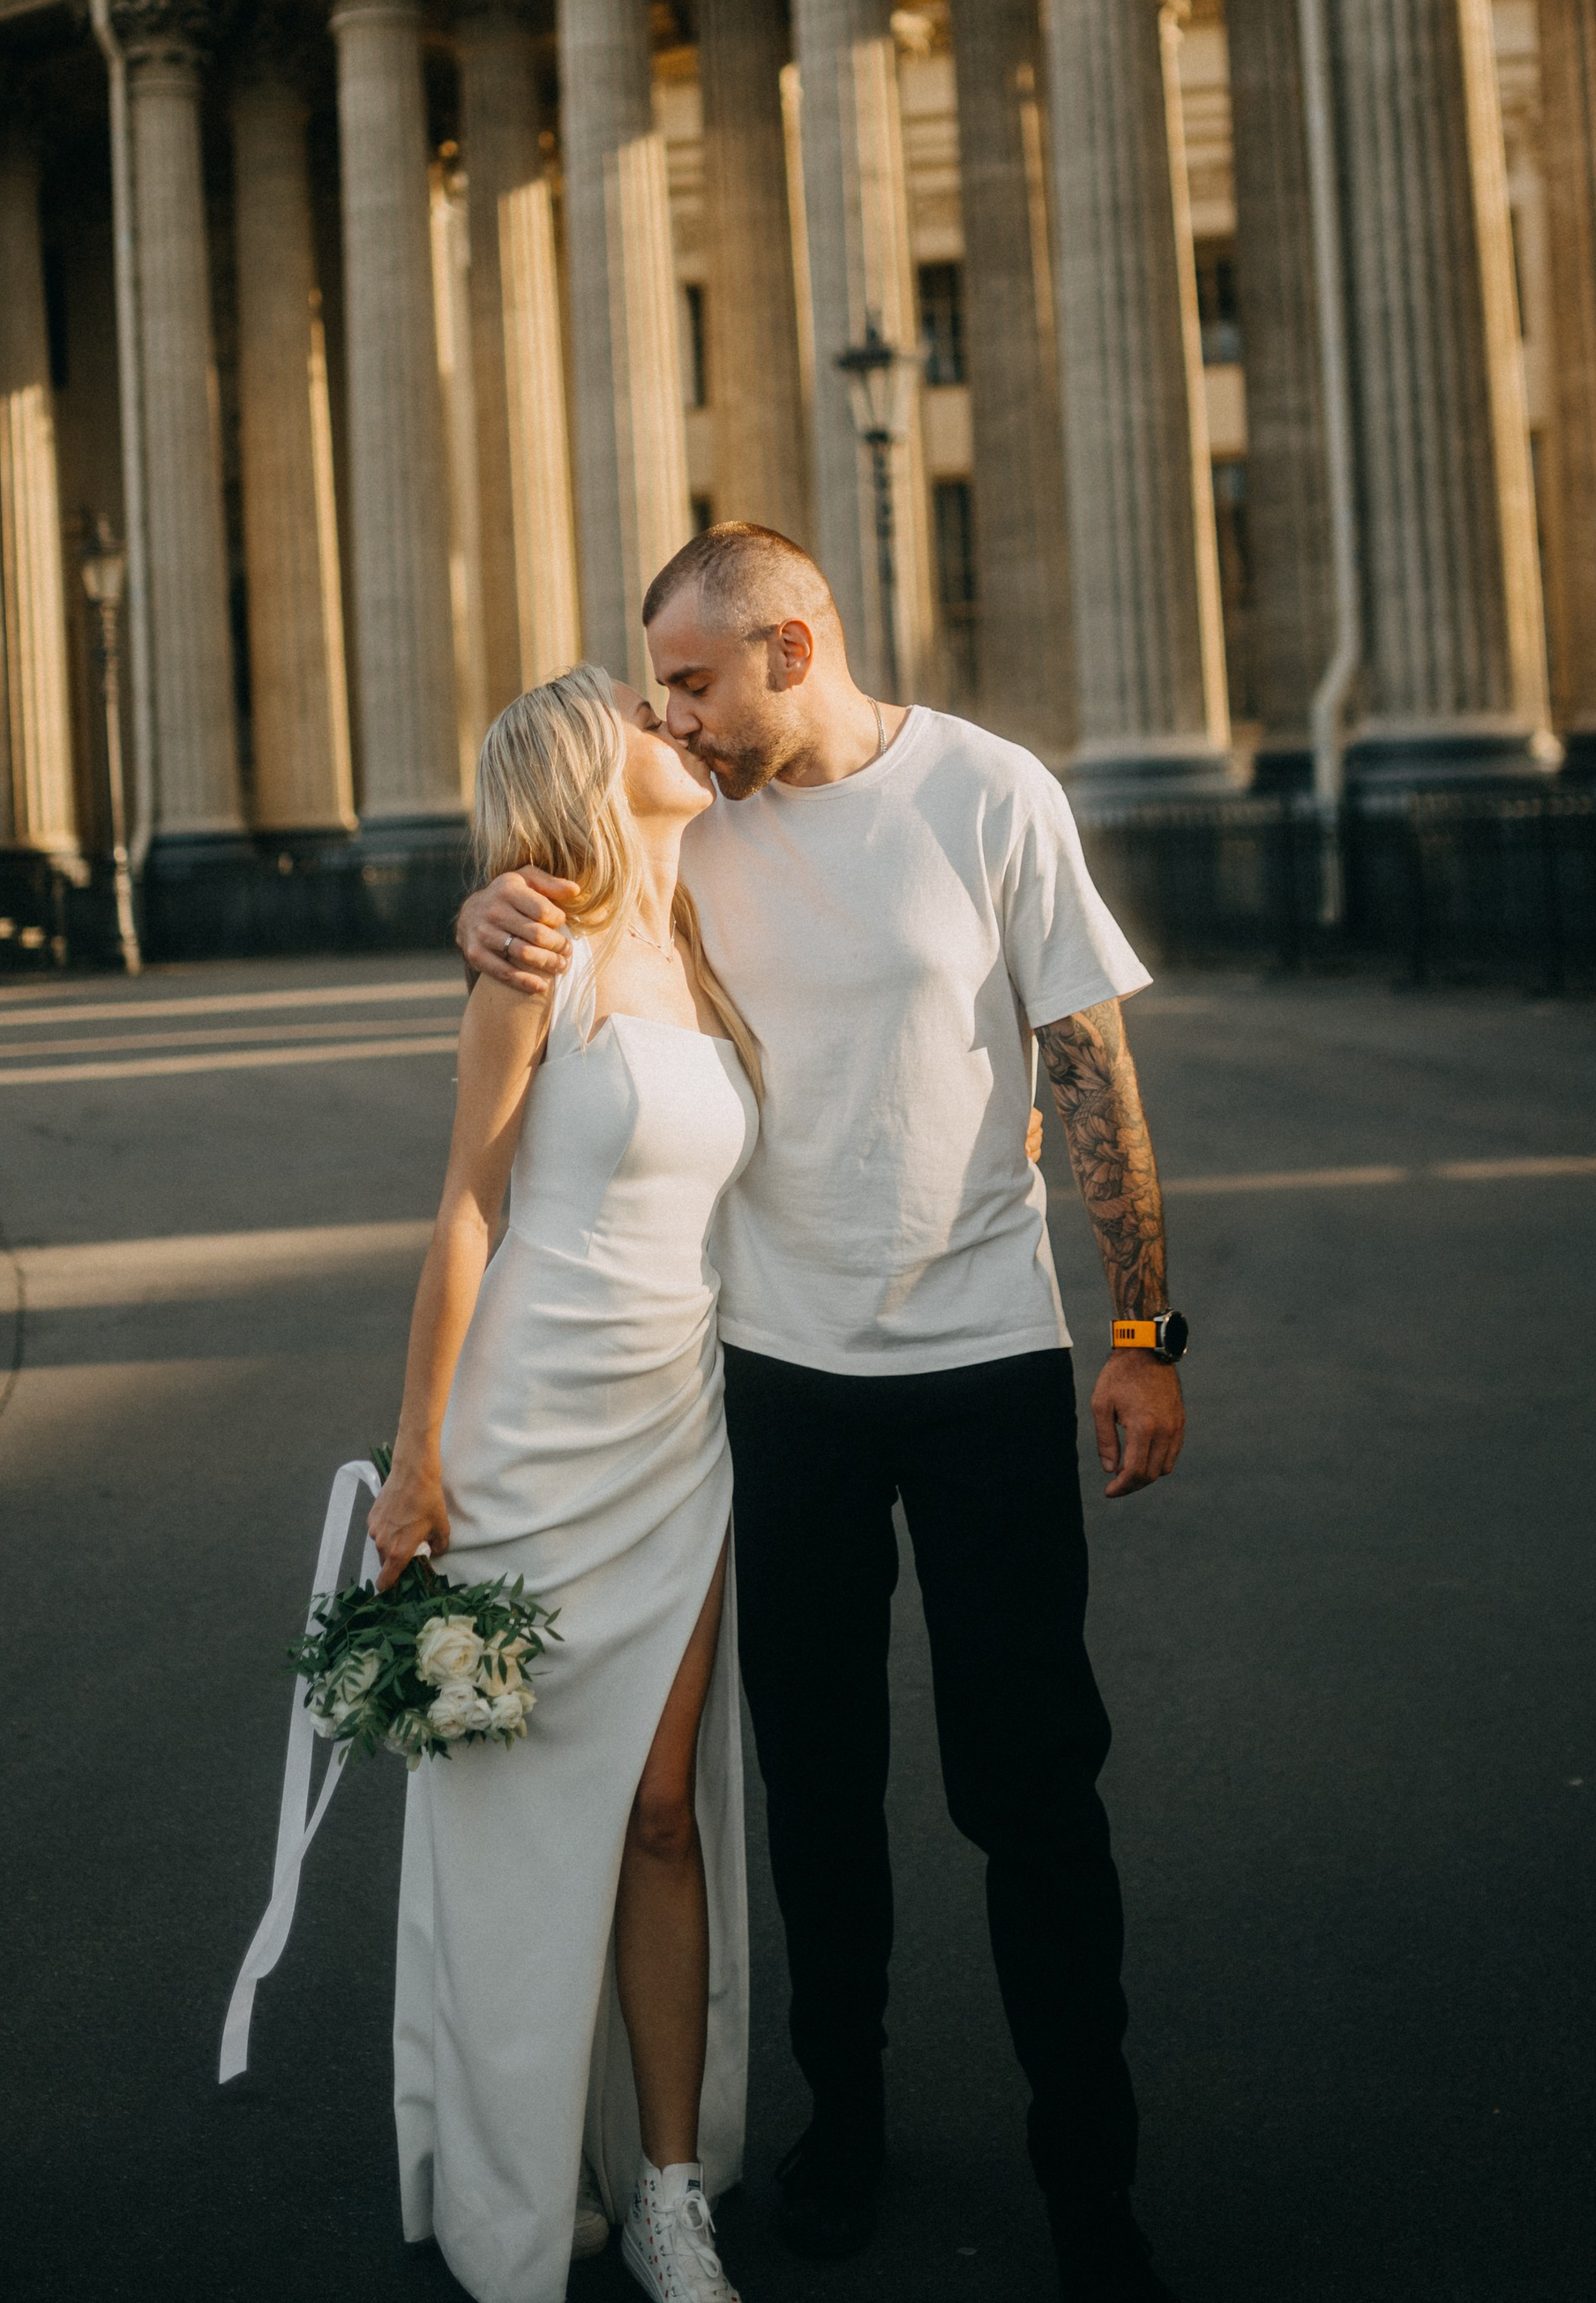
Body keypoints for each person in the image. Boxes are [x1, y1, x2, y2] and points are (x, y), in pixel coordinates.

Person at [460, 523, 1187, 2303]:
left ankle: (1090, 2182)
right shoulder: (690, 823)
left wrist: (1144, 1331)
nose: (671, 717)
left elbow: (1088, 1064)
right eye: (661, 691)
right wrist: (474, 906)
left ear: (793, 646)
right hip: (776, 1381)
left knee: (1033, 1788)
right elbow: (560, 912)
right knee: (817, 1787)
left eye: (694, 681)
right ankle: (841, 2121)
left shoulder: (990, 794)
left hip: (986, 1365)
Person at [371, 662, 763, 2303]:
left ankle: (669, 2194)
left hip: (679, 1435)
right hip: (526, 1444)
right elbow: (468, 1210)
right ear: (583, 770)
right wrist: (417, 1460)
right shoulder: (536, 956)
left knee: (664, 1817)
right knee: (517, 1832)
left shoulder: (711, 942)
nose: (674, 723)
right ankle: (515, 2185)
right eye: (639, 714)